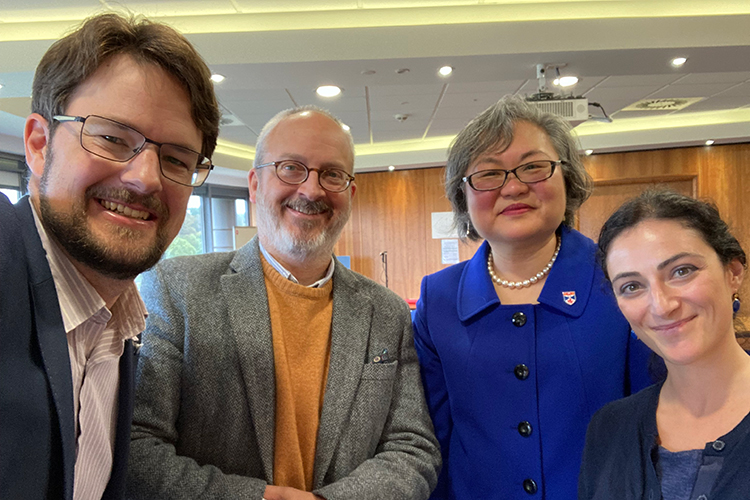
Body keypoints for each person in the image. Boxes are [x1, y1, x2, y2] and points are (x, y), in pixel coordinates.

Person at [126, 106, 441, 500]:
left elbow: (413, 447)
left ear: (350, 193)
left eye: (332, 174)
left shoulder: (387, 312)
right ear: (255, 185)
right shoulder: (177, 290)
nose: (311, 191)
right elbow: (136, 447)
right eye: (291, 168)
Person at [0, 12, 220, 500]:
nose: (145, 178)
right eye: (111, 138)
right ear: (38, 145)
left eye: (176, 159)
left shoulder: (122, 327)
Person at [412, 95, 652, 500]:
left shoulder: (621, 281)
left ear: (567, 178)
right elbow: (433, 438)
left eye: (534, 166)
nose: (514, 186)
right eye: (488, 174)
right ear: (463, 197)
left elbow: (657, 421)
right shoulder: (438, 299)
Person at [579, 189, 750, 500]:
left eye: (682, 271)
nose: (661, 305)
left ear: (733, 271)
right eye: (631, 286)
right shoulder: (609, 429)